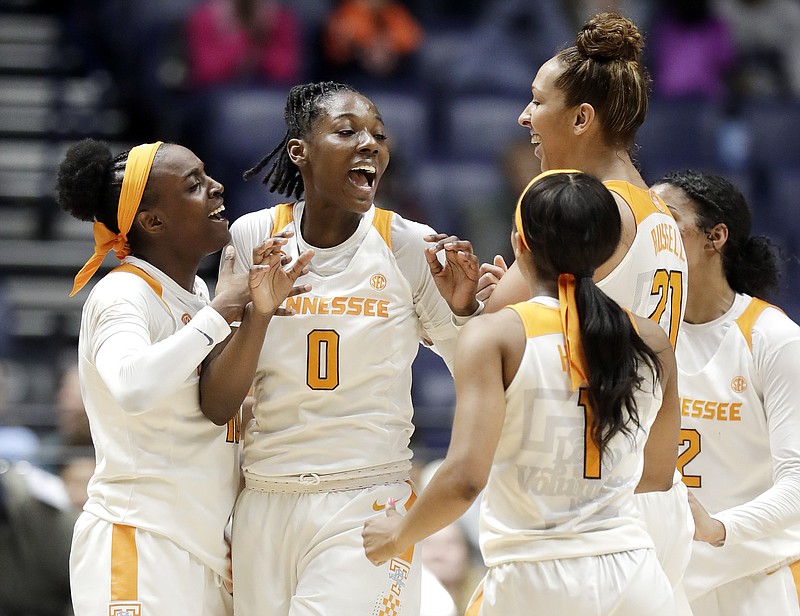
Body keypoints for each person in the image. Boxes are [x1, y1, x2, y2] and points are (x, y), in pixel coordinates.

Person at [202, 80, 481, 616]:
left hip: (367, 496)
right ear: (299, 151)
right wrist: (257, 313)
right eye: (348, 131)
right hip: (265, 496)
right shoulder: (253, 236)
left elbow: (473, 369)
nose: (371, 144)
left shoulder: (408, 244)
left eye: (379, 135)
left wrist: (465, 311)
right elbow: (219, 398)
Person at [363, 169, 681, 615]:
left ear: (519, 244)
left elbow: (465, 479)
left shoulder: (496, 336)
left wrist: (397, 535)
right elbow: (659, 473)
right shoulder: (651, 340)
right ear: (608, 248)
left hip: (535, 577)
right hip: (636, 577)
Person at [476, 12, 694, 605]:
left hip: (593, 502)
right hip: (654, 493)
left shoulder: (566, 207)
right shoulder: (659, 213)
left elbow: (483, 340)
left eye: (536, 101)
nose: (524, 117)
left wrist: (468, 303)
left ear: (580, 118)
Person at [55, 138, 311, 616]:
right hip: (138, 540)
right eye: (194, 186)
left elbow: (205, 414)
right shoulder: (123, 294)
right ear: (153, 221)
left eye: (207, 177)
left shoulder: (195, 292)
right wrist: (223, 312)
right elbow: (132, 387)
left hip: (204, 551)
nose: (216, 188)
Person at [651, 170, 800, 616]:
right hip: (670, 581)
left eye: (666, 220)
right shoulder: (642, 329)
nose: (651, 235)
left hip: (759, 578)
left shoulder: (773, 338)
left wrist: (718, 528)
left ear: (714, 237)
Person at [185, 0, 304, 88]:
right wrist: (238, 35)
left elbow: (287, 71)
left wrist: (262, 34)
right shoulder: (207, 16)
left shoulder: (279, 17)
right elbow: (206, 73)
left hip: (269, 89)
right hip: (219, 91)